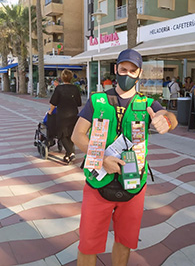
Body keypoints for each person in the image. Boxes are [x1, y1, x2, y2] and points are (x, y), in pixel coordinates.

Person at [72, 49, 178, 266]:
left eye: (133, 71)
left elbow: (169, 117)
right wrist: (102, 159)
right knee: (88, 244)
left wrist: (165, 120)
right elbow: (77, 135)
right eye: (123, 69)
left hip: (134, 185)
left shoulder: (147, 103)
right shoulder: (97, 101)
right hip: (97, 182)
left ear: (139, 74)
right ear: (116, 69)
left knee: (125, 241)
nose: (127, 75)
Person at [48, 69, 82, 163]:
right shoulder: (75, 88)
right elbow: (79, 103)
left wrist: (50, 111)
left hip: (62, 114)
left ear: (62, 78)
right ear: (71, 78)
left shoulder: (59, 88)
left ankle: (71, 153)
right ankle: (67, 156)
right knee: (70, 134)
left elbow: (53, 103)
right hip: (73, 113)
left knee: (62, 134)